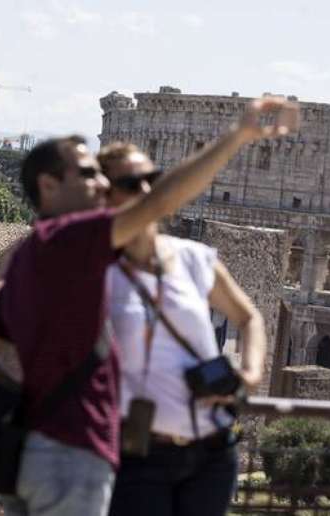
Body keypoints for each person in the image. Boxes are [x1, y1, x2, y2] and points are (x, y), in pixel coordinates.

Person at [0, 97, 299, 516]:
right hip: (91, 452)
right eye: (117, 182)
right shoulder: (79, 249)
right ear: (56, 187)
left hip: (178, 446)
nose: (132, 190)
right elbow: (161, 203)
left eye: (150, 179)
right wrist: (239, 135)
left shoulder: (67, 252)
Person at [97, 142, 265, 516]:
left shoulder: (192, 257)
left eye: (152, 180)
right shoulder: (94, 265)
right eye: (129, 182)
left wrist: (251, 374)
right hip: (139, 454)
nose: (145, 191)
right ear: (103, 195)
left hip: (212, 451)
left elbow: (249, 317)